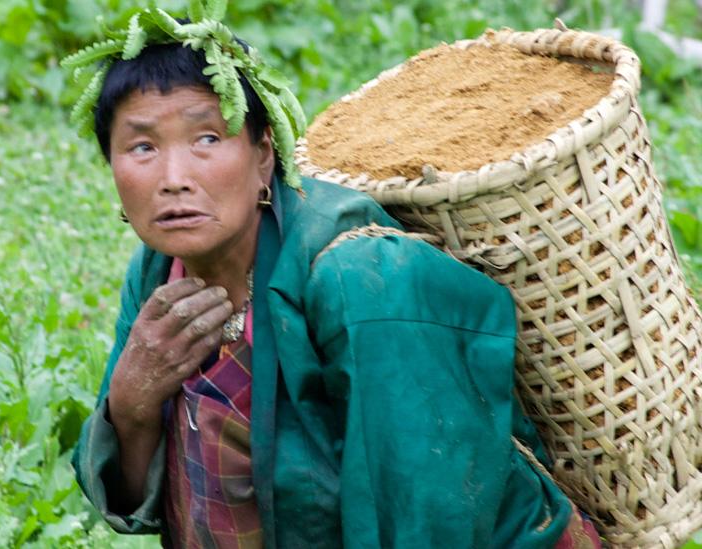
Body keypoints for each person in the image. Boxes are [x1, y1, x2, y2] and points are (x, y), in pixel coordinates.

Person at [68, 7, 601, 548]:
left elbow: (428, 511)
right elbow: (133, 499)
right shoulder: (159, 271)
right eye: (142, 147)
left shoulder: (358, 276)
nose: (174, 179)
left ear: (263, 156)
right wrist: (131, 401)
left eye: (207, 137)